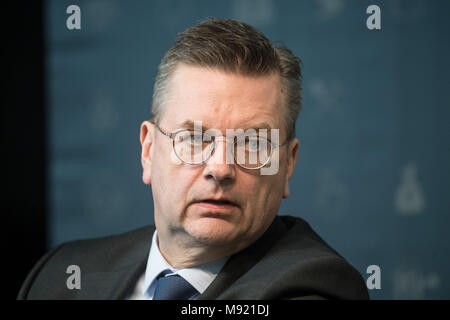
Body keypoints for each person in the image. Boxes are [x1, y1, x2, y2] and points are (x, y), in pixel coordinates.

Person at [18, 18, 369, 300]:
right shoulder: (61, 273)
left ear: (287, 164)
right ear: (148, 150)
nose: (219, 168)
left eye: (251, 143)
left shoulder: (316, 287)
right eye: (195, 139)